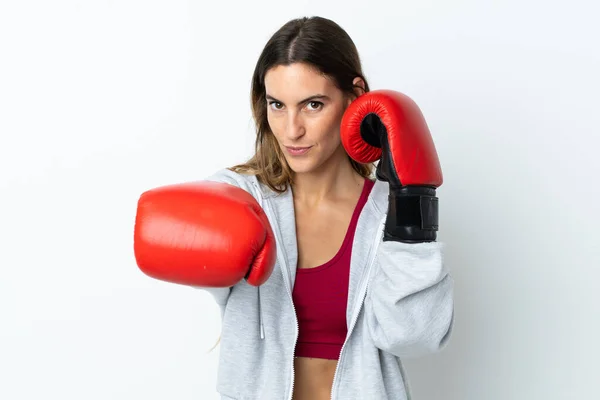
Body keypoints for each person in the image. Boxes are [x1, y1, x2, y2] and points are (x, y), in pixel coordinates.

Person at [133, 16, 454, 400]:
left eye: (313, 105)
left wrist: (412, 204)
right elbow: (166, 222)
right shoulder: (242, 200)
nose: (291, 130)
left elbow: (414, 337)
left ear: (355, 97)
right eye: (277, 105)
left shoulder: (388, 213)